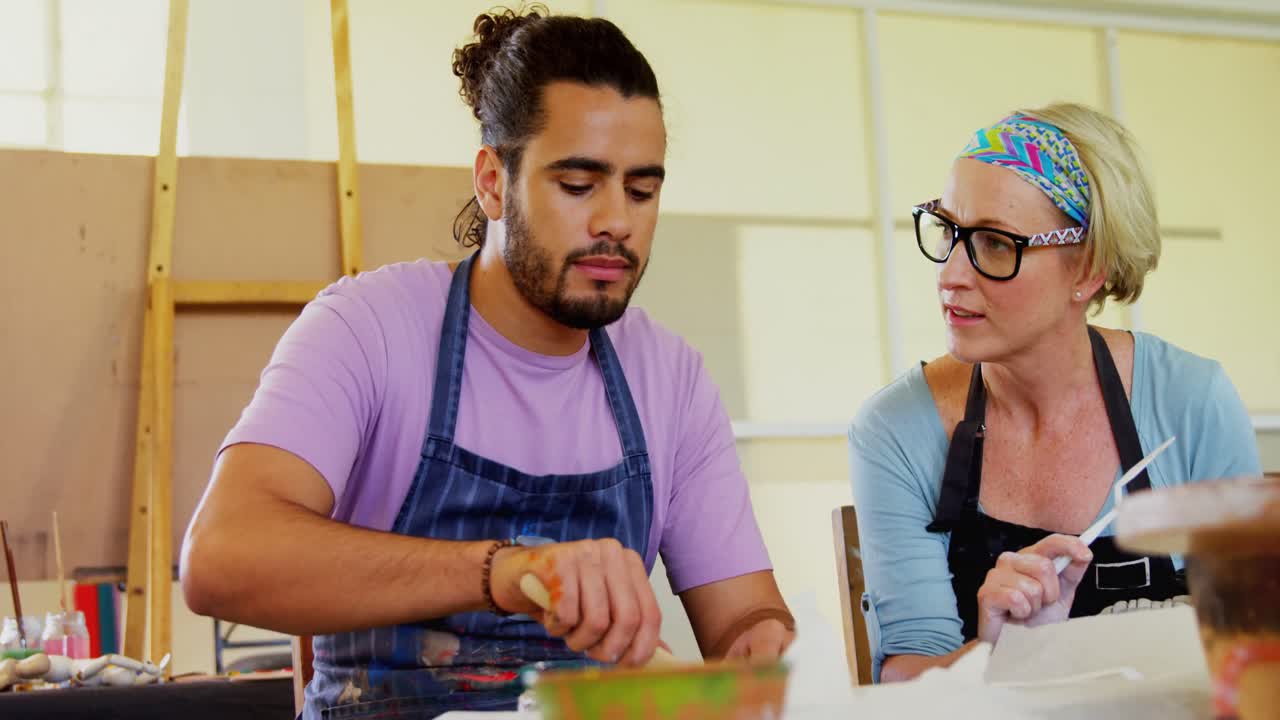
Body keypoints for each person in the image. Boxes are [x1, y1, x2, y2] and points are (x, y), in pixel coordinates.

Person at [180, 7, 794, 717]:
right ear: (494, 181)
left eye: (641, 191)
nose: (617, 222)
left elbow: (743, 616)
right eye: (578, 185)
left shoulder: (672, 380)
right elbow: (221, 556)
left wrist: (761, 646)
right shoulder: (369, 329)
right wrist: (503, 570)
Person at [848, 103, 1261, 683]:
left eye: (995, 244)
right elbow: (908, 676)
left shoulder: (1191, 402)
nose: (950, 274)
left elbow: (1257, 637)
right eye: (948, 230)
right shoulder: (895, 431)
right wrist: (998, 652)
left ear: (1088, 269)